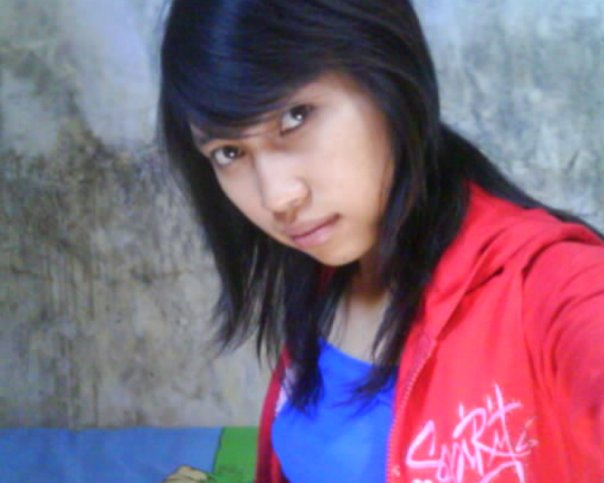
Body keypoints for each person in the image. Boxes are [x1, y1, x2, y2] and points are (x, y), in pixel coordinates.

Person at [158, 1, 604, 481]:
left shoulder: (547, 285)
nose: (277, 197)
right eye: (229, 152)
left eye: (296, 117)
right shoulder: (324, 272)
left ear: (386, 74)